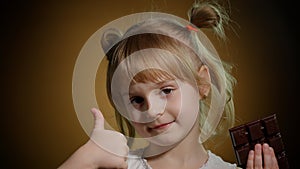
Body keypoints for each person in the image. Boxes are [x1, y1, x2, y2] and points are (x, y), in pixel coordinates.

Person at [59, 1, 279, 169]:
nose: (152, 111)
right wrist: (85, 158)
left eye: (166, 90)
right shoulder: (119, 166)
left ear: (202, 83)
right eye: (136, 99)